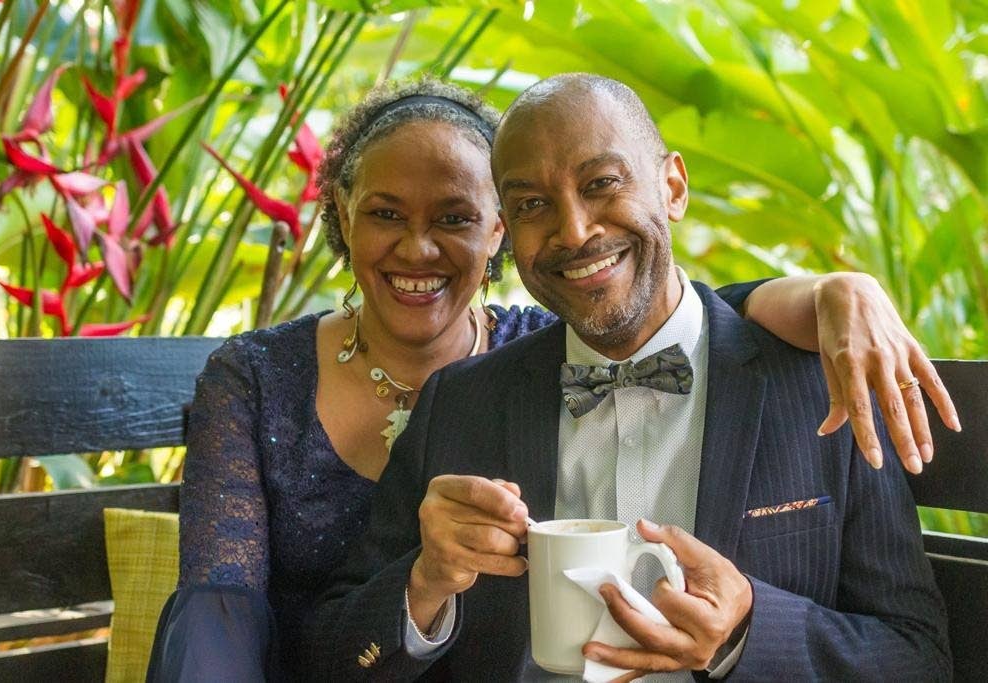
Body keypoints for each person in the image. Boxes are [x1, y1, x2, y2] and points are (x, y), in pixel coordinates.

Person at [149, 78, 954, 681]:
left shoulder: (818, 379)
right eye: (534, 203)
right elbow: (331, 653)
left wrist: (748, 630)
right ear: (510, 230)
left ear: (672, 187)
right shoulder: (462, 402)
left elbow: (918, 656)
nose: (573, 230)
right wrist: (425, 583)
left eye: (603, 184)